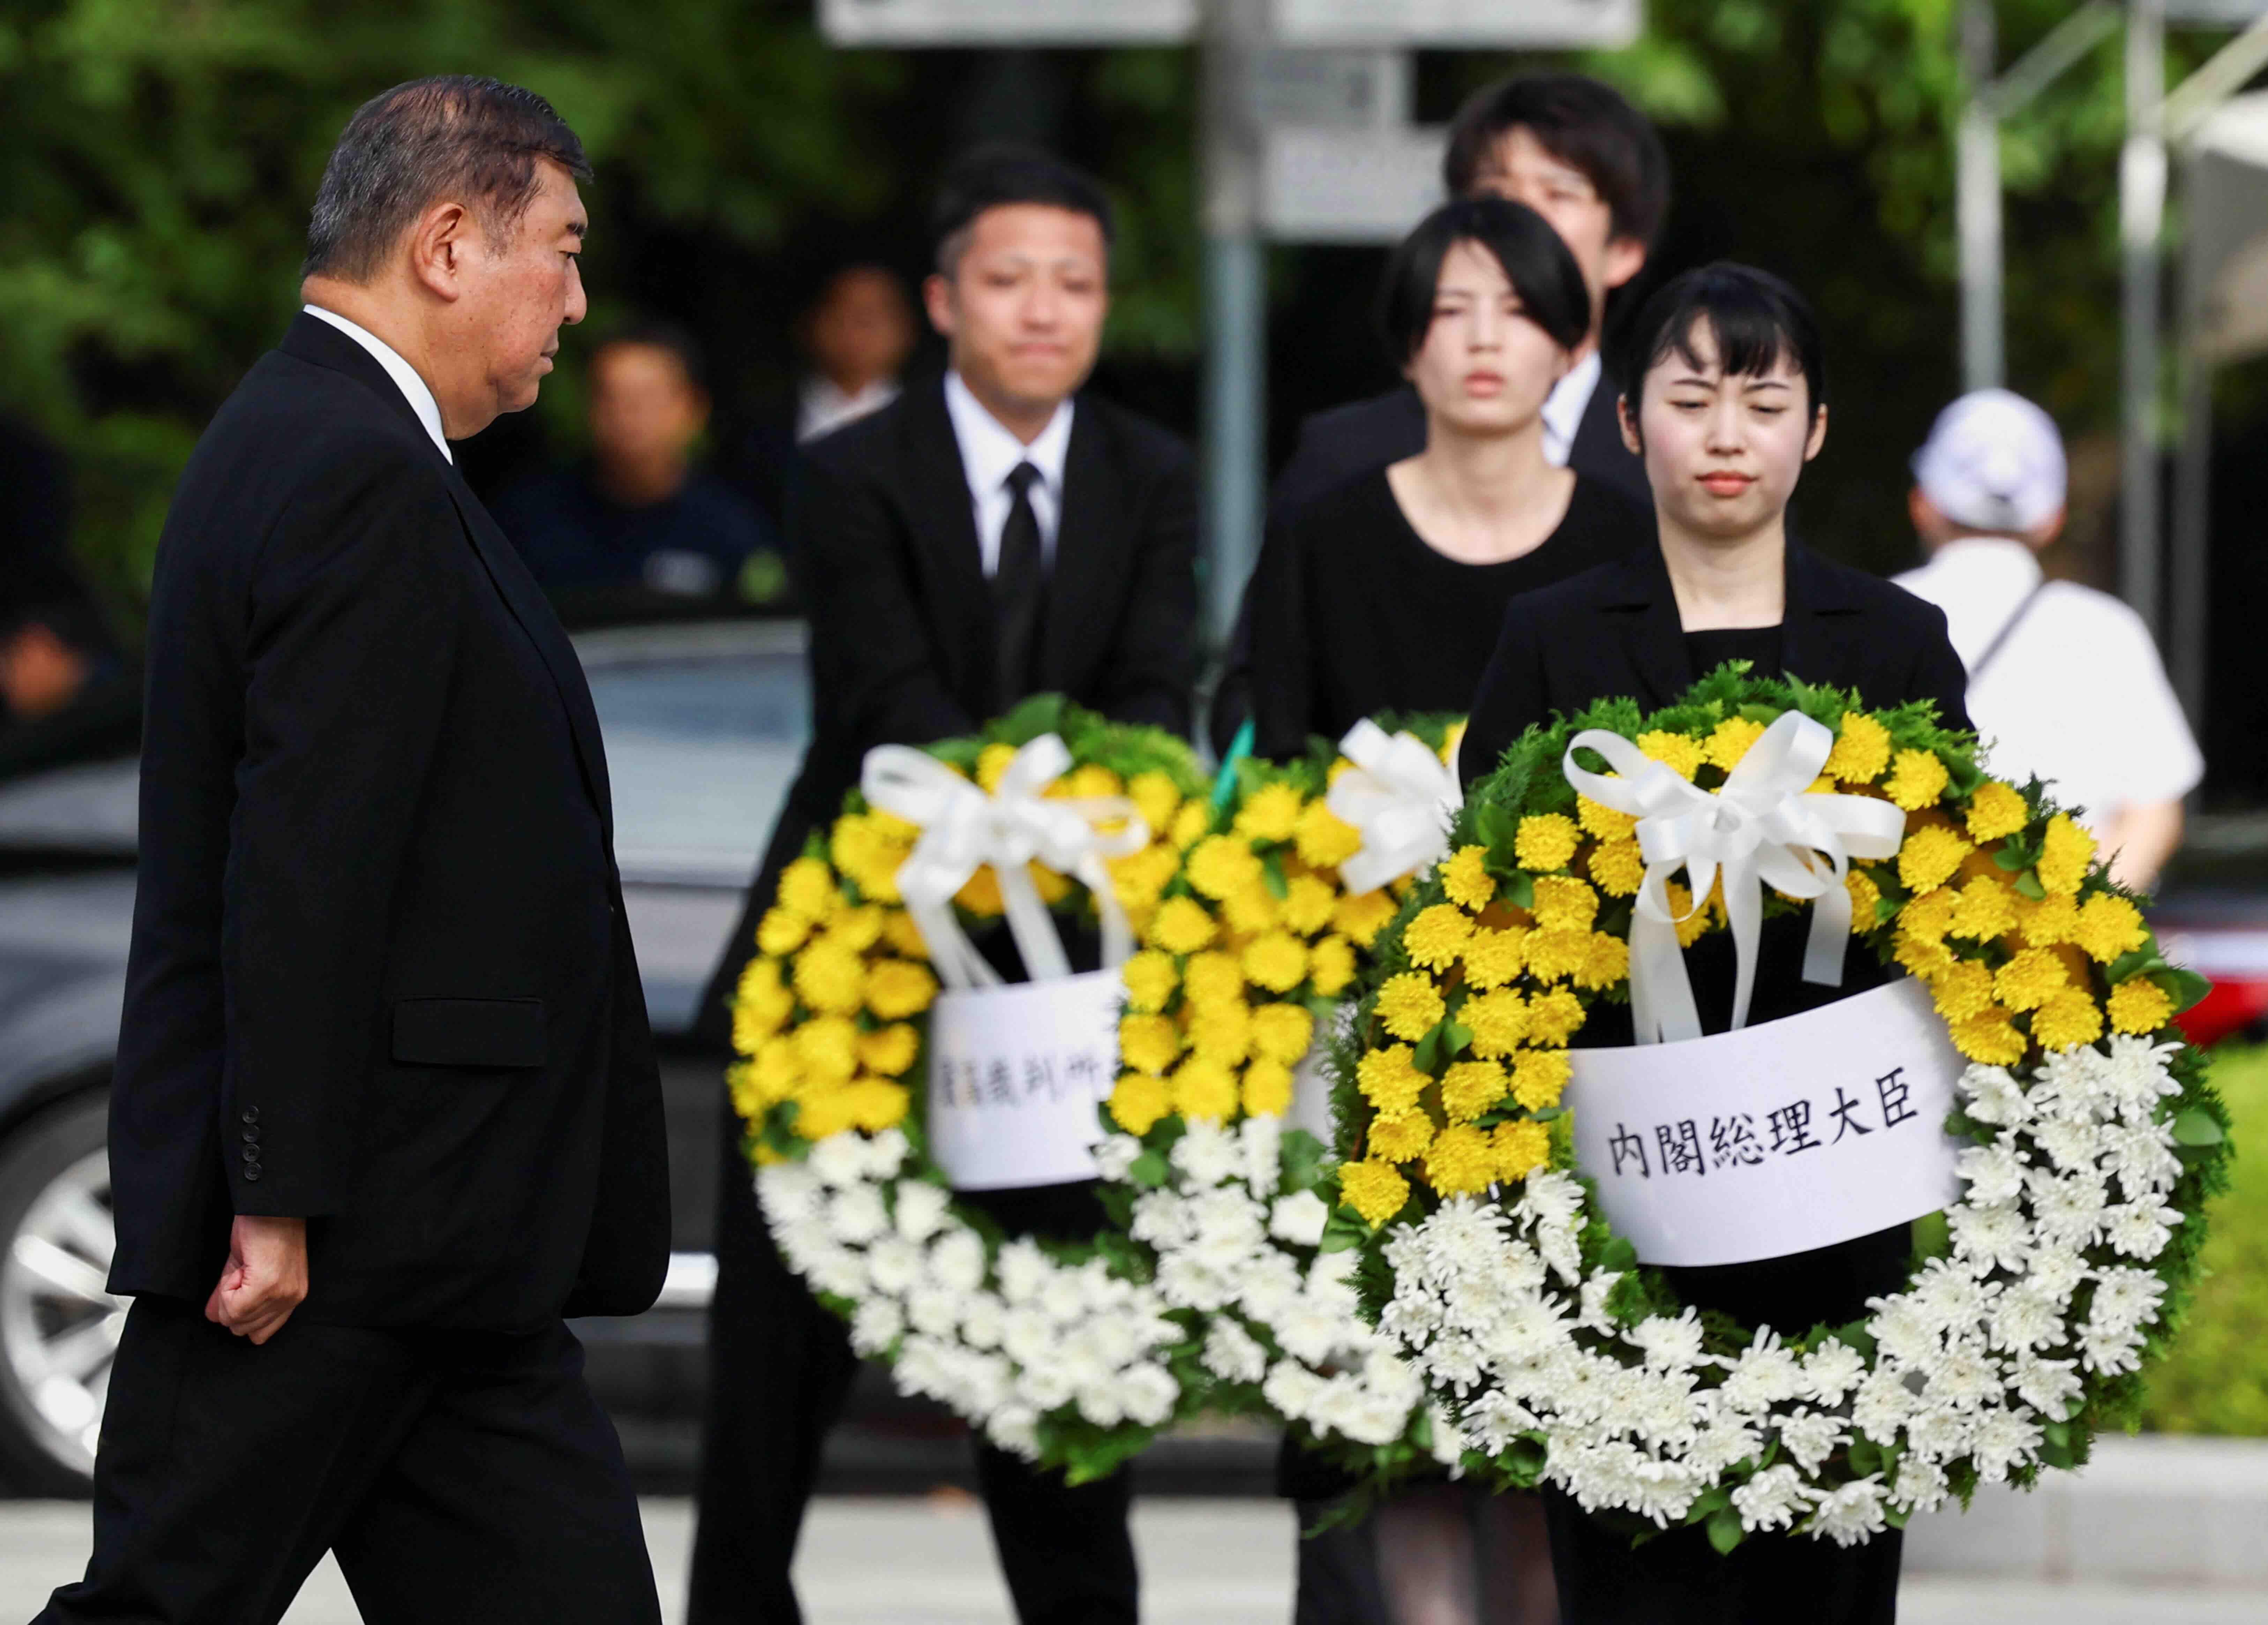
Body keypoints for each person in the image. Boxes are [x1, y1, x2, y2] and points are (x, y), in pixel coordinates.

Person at [37, 77, 670, 1625]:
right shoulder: (347, 465)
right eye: (563, 253)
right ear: (450, 244)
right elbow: (306, 854)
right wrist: (277, 1192)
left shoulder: (332, 440)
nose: (578, 303)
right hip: (341, 1244)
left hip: (445, 1252)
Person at [686, 144, 1199, 1625]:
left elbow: (1154, 699)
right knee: (773, 1379)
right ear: (942, 300)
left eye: (1076, 283)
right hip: (851, 959)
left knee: (1052, 1356)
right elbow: (890, 712)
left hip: (1064, 984)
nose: (1044, 310)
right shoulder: (851, 469)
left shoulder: (1150, 475)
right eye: (1009, 279)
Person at [1459, 263, 1969, 1625]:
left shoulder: (1896, 642)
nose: (1726, 433)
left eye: (1762, 399)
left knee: (1827, 1568)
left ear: (1814, 429)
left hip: (1837, 1189)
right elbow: (1484, 910)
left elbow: (1957, 909)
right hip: (1628, 1196)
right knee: (1631, 1576)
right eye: (1690, 398)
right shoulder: (1551, 637)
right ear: (1629, 423)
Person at [1255, 195, 1651, 1625]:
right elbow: (1267, 753)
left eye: (1517, 312)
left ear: (1567, 351)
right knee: (1399, 1428)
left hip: (1572, 1036)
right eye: (1449, 311)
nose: (1483, 342)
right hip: (1366, 1031)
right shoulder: (1323, 534)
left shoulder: (1622, 541)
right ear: (1404, 349)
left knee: (1549, 1428)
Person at [1215, 71, 1670, 754]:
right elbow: (1258, 694)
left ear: (1626, 248)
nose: (1520, 222)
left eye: (1557, 192)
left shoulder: (1673, 469)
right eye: (1495, 195)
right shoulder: (1343, 458)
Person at [1895, 389, 2200, 891]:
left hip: (1902, 955)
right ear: (2052, 517)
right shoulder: (2106, 631)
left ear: (1923, 506)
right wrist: (2074, 919)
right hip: (2058, 959)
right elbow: (2155, 809)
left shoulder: (1866, 617)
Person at [493, 321, 785, 614]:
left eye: (647, 398)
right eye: (610, 397)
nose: (626, 415)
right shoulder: (527, 521)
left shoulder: (736, 531)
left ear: (694, 408)